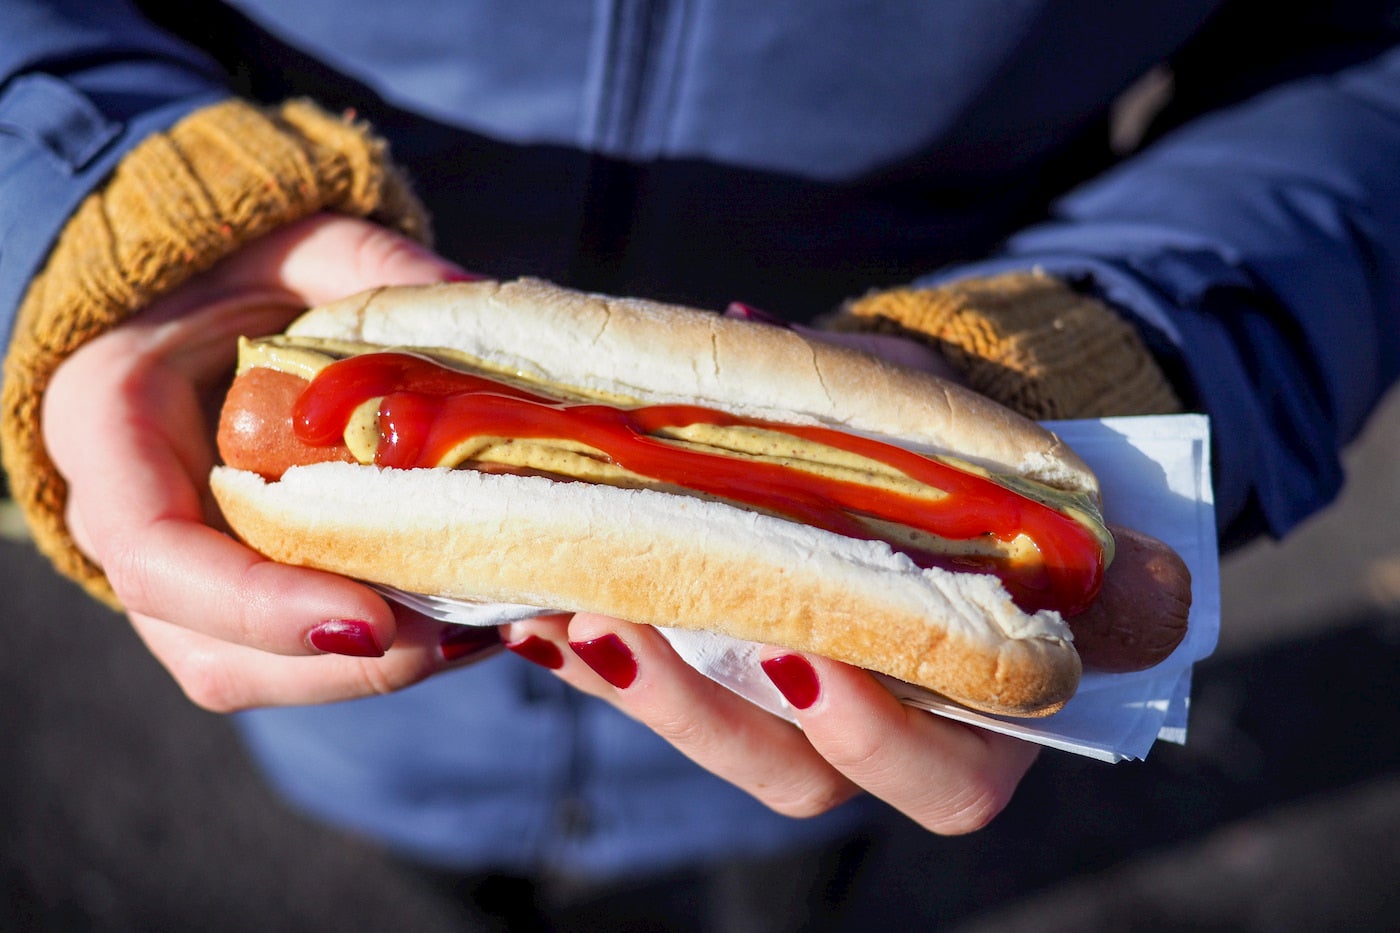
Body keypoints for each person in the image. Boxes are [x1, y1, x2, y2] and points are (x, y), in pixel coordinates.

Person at [2, 0, 1397, 926]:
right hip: (356, 674)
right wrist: (102, 205)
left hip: (850, 722)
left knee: (788, 880)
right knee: (447, 882)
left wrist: (1123, 350)